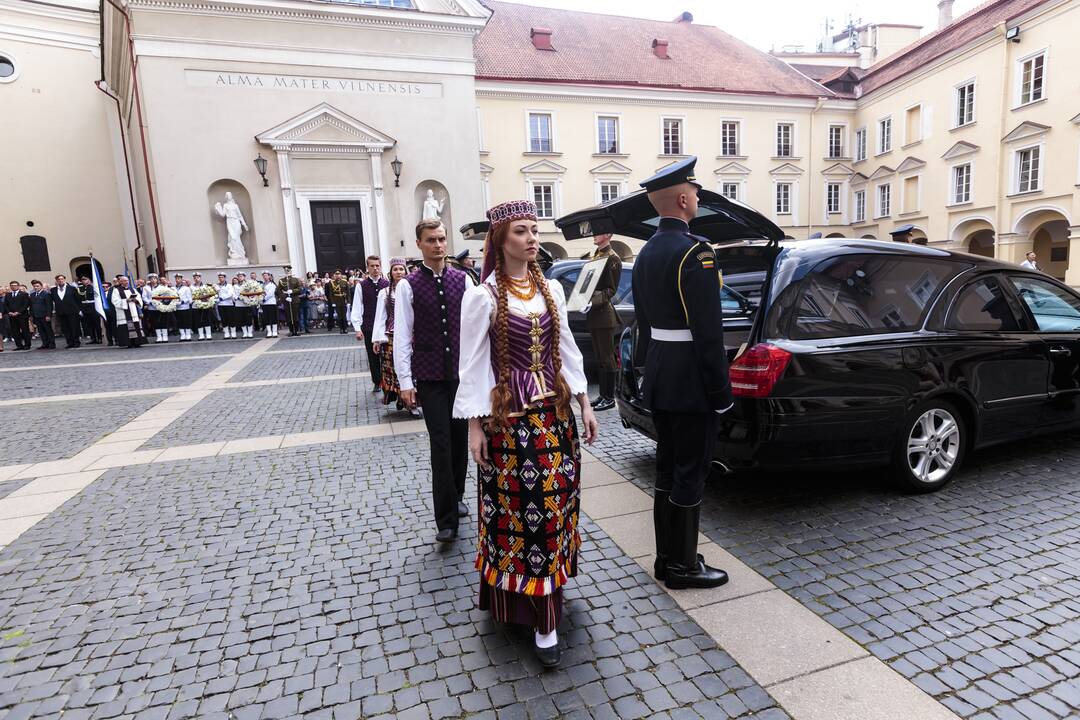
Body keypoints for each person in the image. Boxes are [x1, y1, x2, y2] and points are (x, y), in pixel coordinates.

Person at [454, 200, 596, 668]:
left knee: (555, 508)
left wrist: (584, 400)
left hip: (554, 421)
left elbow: (566, 348)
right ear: (500, 239)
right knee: (517, 515)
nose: (532, 238)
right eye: (521, 231)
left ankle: (547, 610)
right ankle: (530, 613)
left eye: (535, 230)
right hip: (508, 425)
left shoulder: (551, 288)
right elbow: (473, 363)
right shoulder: (484, 296)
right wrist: (474, 425)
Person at [632, 156, 730, 591]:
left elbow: (643, 322)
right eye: (696, 192)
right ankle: (685, 567)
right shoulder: (696, 251)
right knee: (692, 470)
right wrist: (720, 390)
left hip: (661, 375)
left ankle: (667, 556)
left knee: (668, 469)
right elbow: (707, 332)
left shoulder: (646, 252)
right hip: (692, 380)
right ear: (685, 199)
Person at [394, 220, 470, 544]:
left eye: (441, 239)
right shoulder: (407, 285)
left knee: (460, 440)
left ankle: (458, 494)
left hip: (460, 374)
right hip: (428, 376)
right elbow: (401, 335)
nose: (438, 245)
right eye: (431, 240)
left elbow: (473, 328)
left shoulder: (463, 280)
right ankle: (446, 519)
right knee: (440, 444)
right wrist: (405, 381)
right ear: (419, 244)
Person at [584, 233, 623, 411]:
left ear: (607, 235)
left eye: (598, 232)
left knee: (607, 359)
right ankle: (602, 395)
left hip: (604, 316)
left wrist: (591, 301)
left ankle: (609, 398)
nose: (594, 235)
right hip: (594, 316)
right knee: (600, 358)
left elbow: (610, 290)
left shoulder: (613, 258)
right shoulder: (595, 256)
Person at [371, 258, 409, 412]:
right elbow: (380, 316)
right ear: (391, 272)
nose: (399, 272)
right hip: (391, 335)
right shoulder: (384, 293)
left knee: (410, 367)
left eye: (401, 269)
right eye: (396, 269)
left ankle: (410, 401)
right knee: (393, 368)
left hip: (410, 334)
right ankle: (399, 396)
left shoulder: (411, 289)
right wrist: (377, 340)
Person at [351, 256, 389, 392]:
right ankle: (377, 381)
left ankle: (387, 381)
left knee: (386, 355)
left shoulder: (387, 283)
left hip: (385, 326)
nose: (375, 268)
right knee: (372, 355)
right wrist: (357, 328)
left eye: (377, 266)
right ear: (367, 268)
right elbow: (356, 307)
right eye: (372, 266)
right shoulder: (361, 286)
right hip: (368, 326)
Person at [110, 275, 147, 348]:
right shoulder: (116, 290)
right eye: (124, 281)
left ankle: (137, 342)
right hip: (123, 313)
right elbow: (115, 301)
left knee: (136, 326)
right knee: (125, 327)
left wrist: (136, 300)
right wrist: (126, 300)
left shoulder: (133, 289)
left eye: (127, 281)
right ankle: (128, 343)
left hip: (133, 311)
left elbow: (139, 298)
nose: (126, 282)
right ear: (120, 282)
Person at [50, 274, 82, 349]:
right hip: (61, 312)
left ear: (64, 280)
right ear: (56, 281)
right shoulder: (53, 290)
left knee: (74, 327)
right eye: (59, 279)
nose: (60, 280)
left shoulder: (72, 288)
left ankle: (76, 342)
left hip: (72, 311)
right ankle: (69, 342)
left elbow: (77, 300)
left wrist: (79, 310)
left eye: (62, 279)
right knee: (65, 328)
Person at [277, 265, 304, 337]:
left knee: (295, 316)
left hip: (294, 300)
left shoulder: (295, 279)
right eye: (285, 270)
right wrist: (284, 297)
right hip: (286, 300)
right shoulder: (281, 280)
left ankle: (297, 330)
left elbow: (300, 289)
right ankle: (291, 331)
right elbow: (279, 291)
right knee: (289, 316)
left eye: (288, 270)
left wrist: (292, 291)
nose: (287, 271)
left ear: (290, 271)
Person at [29, 280, 55, 349]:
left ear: (41, 286)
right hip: (36, 316)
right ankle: (45, 343)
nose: (36, 287)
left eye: (37, 286)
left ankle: (52, 343)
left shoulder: (46, 294)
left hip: (44, 315)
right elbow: (31, 306)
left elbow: (49, 306)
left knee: (48, 330)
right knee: (41, 331)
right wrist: (31, 315)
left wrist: (48, 315)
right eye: (34, 286)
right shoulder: (32, 295)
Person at [5, 280, 31, 350]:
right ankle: (19, 345)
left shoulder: (24, 294)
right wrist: (9, 312)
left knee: (25, 330)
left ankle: (27, 344)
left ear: (18, 286)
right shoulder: (8, 295)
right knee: (15, 331)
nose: (13, 287)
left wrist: (18, 312)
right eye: (12, 285)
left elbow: (26, 304)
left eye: (15, 285)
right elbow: (6, 305)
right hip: (12, 316)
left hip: (22, 316)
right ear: (10, 287)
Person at [190, 272, 216, 341]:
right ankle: (201, 335)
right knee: (198, 321)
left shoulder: (205, 286)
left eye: (198, 277)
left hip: (206, 305)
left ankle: (208, 334)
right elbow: (191, 296)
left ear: (200, 278)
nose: (196, 279)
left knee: (207, 320)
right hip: (196, 306)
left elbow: (210, 294)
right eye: (195, 278)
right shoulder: (191, 287)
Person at [77, 276, 102, 344]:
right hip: (85, 308)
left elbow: (98, 298)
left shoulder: (94, 287)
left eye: (86, 279)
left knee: (97, 324)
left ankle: (99, 338)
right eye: (83, 280)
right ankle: (93, 338)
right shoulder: (80, 289)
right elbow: (78, 300)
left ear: (89, 280)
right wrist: (80, 310)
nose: (84, 281)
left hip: (93, 308)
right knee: (89, 325)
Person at [215, 273, 237, 339]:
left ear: (225, 278)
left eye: (222, 277)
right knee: (223, 319)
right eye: (219, 277)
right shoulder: (216, 286)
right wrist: (216, 298)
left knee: (231, 319)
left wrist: (221, 298)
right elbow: (215, 293)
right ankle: (226, 333)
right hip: (220, 305)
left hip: (229, 304)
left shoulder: (229, 285)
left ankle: (233, 333)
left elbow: (230, 294)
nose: (220, 278)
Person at [175, 275, 193, 342]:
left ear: (181, 280)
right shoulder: (173, 288)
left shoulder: (186, 288)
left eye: (179, 278)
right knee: (180, 322)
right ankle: (182, 335)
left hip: (185, 307)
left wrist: (183, 302)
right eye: (176, 279)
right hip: (177, 308)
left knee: (186, 321)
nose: (177, 280)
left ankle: (188, 335)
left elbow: (189, 298)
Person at [261, 271, 279, 338]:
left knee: (273, 317)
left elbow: (270, 294)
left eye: (266, 275)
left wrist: (264, 298)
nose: (264, 277)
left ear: (269, 276)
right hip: (264, 304)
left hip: (271, 303)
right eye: (263, 275)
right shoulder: (262, 285)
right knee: (266, 318)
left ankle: (274, 331)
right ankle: (269, 331)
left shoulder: (272, 284)